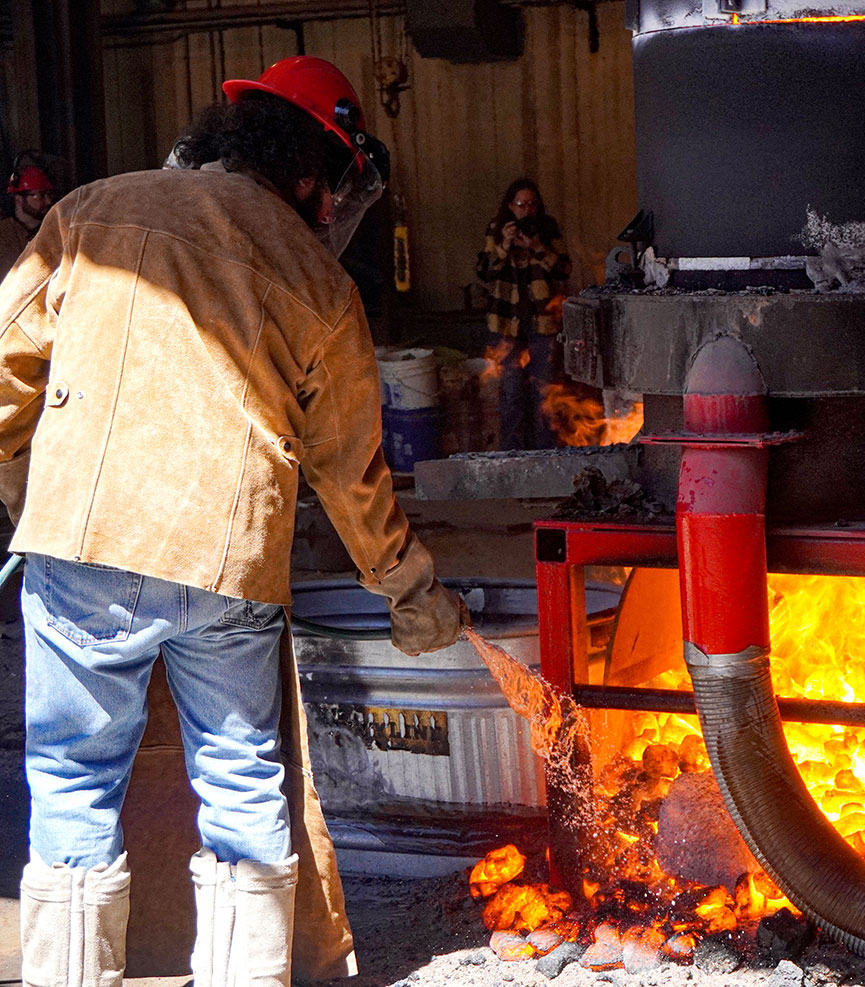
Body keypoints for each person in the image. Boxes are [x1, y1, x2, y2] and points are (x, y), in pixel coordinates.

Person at [0, 56, 468, 987]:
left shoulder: (89, 213)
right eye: (333, 186)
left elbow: (5, 372)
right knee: (245, 784)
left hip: (80, 543)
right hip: (227, 561)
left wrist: (26, 487)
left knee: (71, 780)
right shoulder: (319, 282)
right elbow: (350, 469)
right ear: (308, 172)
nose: (332, 207)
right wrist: (409, 590)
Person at [476, 178, 572, 449]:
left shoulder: (547, 228)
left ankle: (547, 454)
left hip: (543, 324)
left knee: (545, 392)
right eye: (521, 204)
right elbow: (484, 272)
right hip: (506, 325)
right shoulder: (498, 229)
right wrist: (504, 245)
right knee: (511, 392)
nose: (527, 210)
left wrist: (538, 247)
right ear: (510, 206)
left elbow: (564, 269)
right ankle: (513, 456)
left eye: (532, 204)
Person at [0, 163, 55, 274]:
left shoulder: (55, 231)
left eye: (50, 194)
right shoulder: (3, 233)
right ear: (19, 200)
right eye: (41, 195)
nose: (49, 201)